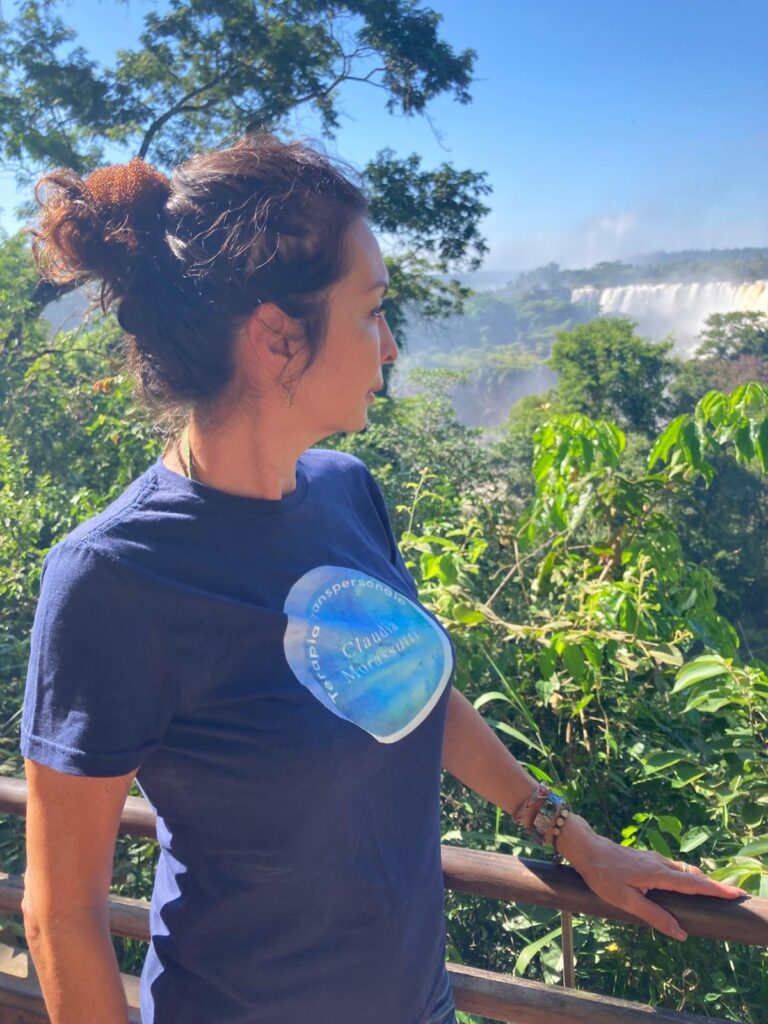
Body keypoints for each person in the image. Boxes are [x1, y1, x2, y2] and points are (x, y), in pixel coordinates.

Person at [19, 134, 745, 1024]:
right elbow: (61, 916)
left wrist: (571, 835)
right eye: (371, 313)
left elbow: (412, 689)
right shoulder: (113, 578)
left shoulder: (346, 492)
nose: (392, 346)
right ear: (279, 337)